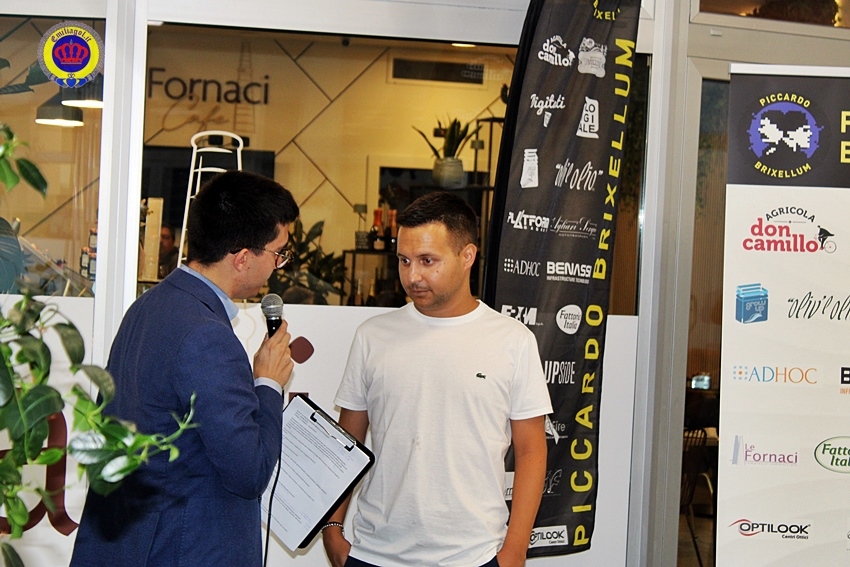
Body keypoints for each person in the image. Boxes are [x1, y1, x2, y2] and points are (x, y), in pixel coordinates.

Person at [70, 171, 300, 567]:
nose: (279, 266)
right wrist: (268, 383)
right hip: (182, 549)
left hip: (135, 542)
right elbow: (248, 473)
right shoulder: (206, 335)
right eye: (278, 253)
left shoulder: (149, 306)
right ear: (243, 258)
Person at [322, 192, 552, 567]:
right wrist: (332, 527)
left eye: (427, 261)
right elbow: (348, 440)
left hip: (474, 554)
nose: (413, 276)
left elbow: (531, 450)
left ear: (467, 256)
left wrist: (515, 550)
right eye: (404, 260)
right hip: (373, 552)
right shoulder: (372, 336)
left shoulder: (513, 340)